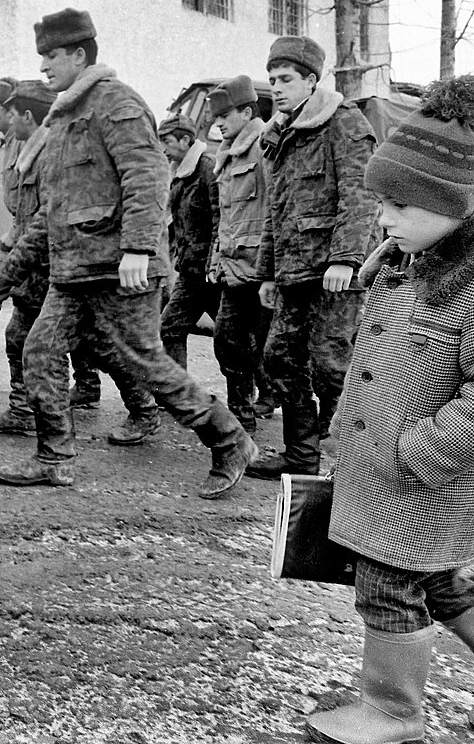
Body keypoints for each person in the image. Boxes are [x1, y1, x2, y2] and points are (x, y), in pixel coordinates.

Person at [306, 76, 474, 744]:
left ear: (450, 203)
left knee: (387, 583)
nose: (383, 219)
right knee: (439, 579)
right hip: (385, 470)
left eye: (398, 204)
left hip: (429, 477)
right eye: (381, 203)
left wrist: (418, 450)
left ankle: (393, 711)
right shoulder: (403, 266)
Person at [0, 8, 256, 499]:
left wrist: (137, 247)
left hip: (120, 268)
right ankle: (54, 459)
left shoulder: (116, 102)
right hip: (76, 269)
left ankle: (230, 439)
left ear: (80, 55)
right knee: (40, 350)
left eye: (53, 55)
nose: (44, 65)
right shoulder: (64, 116)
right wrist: (13, 264)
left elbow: (148, 176)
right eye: (42, 56)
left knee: (145, 364)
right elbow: (56, 206)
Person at [0, 80, 161, 447]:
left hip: (57, 261)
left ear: (28, 116)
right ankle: (26, 411)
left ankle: (143, 409)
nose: (5, 119)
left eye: (10, 112)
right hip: (38, 258)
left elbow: (50, 214)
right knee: (25, 337)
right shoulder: (26, 149)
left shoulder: (51, 151)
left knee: (97, 345)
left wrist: (14, 263)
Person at [246, 36, 377, 480]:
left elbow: (361, 195)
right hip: (294, 271)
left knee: (332, 365)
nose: (276, 88)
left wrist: (346, 259)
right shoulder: (277, 135)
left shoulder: (344, 122)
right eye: (272, 80)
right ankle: (302, 457)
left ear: (310, 81)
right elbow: (276, 210)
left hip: (335, 271)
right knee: (279, 357)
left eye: (286, 79)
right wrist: (268, 273)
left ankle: (358, 464)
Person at [0, 78, 102, 411]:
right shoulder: (14, 143)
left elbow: (48, 209)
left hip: (39, 248)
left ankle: (80, 387)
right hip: (20, 240)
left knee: (48, 325)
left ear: (19, 114)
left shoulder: (42, 146)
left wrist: (23, 242)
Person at [207, 76, 275, 432]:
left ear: (247, 113)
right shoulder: (226, 154)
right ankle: (241, 416)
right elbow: (225, 215)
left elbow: (277, 206)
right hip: (234, 267)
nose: (218, 123)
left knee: (272, 349)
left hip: (263, 267)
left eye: (224, 115)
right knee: (226, 340)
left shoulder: (265, 145)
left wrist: (273, 268)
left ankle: (317, 423)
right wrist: (217, 258)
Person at [157, 114, 220, 367]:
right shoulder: (177, 173)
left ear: (185, 140)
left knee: (234, 342)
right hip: (190, 272)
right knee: (170, 327)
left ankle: (260, 389)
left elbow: (220, 219)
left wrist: (214, 264)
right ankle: (179, 390)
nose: (163, 148)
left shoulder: (208, 169)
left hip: (212, 275)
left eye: (167, 141)